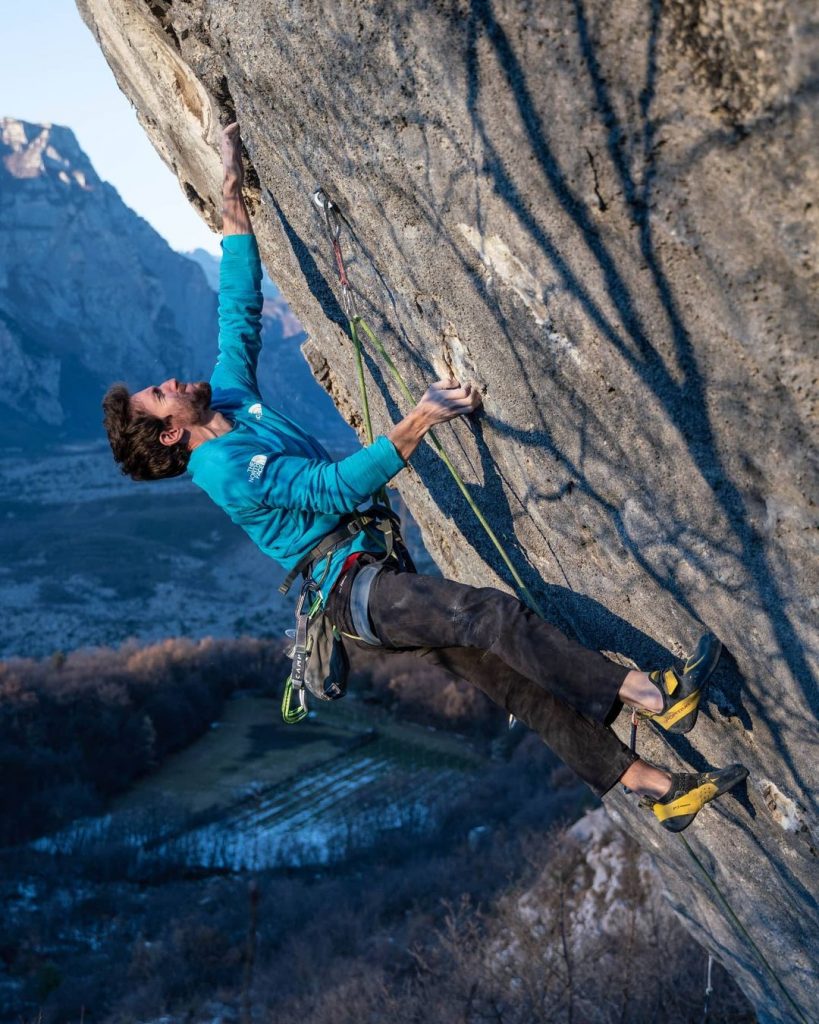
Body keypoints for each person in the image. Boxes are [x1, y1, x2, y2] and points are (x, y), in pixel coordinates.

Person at [102, 124, 747, 833]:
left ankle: (659, 787)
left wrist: (230, 190)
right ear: (171, 432)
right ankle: (652, 694)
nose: (169, 380)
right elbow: (331, 490)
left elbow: (239, 310)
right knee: (491, 615)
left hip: (372, 576)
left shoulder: (225, 398)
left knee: (511, 682)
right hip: (356, 596)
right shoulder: (223, 467)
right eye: (159, 396)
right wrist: (419, 419)